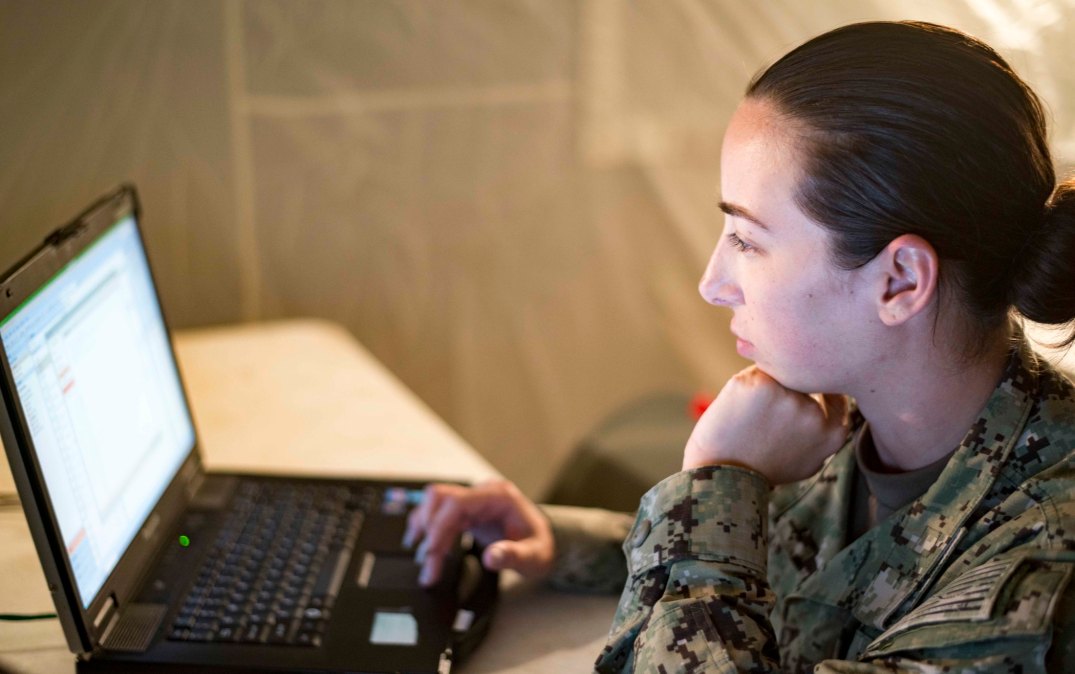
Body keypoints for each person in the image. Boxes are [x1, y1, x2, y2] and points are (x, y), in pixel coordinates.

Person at [405, 20, 1075, 672]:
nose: (712, 283)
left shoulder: (1044, 566)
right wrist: (565, 547)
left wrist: (721, 479)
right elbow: (789, 561)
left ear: (898, 280)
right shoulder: (869, 417)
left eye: (747, 241)